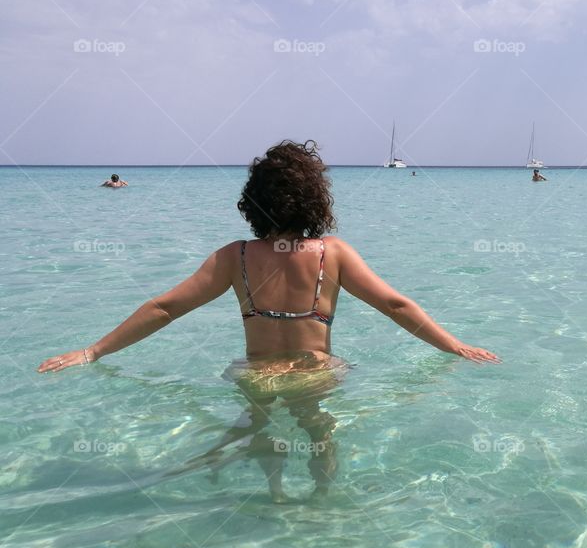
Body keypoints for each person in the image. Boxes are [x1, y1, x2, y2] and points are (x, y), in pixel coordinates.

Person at [40, 140, 499, 501]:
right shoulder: (332, 255)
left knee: (260, 427)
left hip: (256, 375)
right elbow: (396, 306)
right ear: (315, 200)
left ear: (252, 203)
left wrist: (92, 350)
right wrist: (454, 346)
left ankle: (274, 494)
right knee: (318, 430)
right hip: (313, 373)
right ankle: (320, 500)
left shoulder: (234, 257)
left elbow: (164, 308)